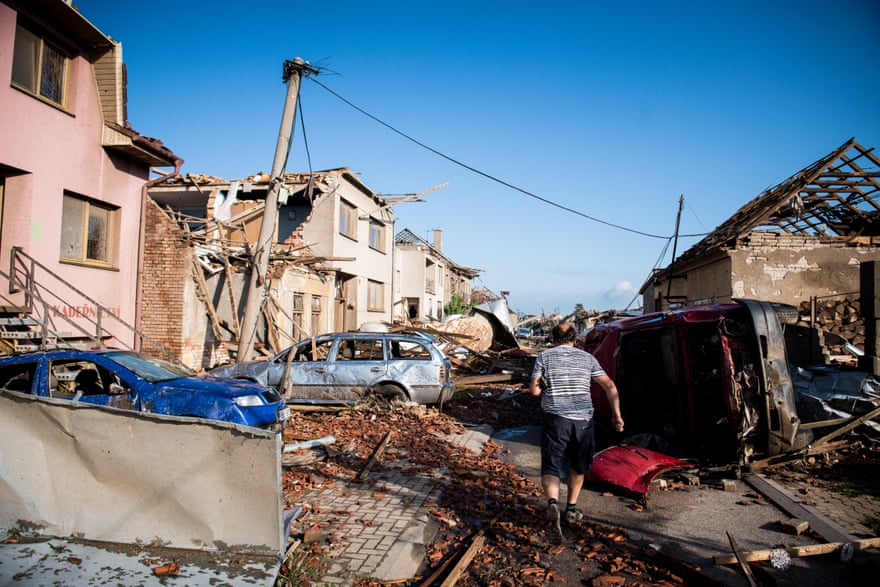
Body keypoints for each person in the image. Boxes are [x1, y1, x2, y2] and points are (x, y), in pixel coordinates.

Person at [529, 322, 624, 539]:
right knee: (578, 466)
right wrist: (616, 415)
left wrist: (545, 384)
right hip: (583, 421)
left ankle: (553, 503)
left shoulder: (545, 357)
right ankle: (571, 509)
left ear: (553, 339)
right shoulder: (588, 358)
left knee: (551, 466)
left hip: (555, 420)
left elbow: (534, 391)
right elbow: (609, 386)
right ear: (574, 339)